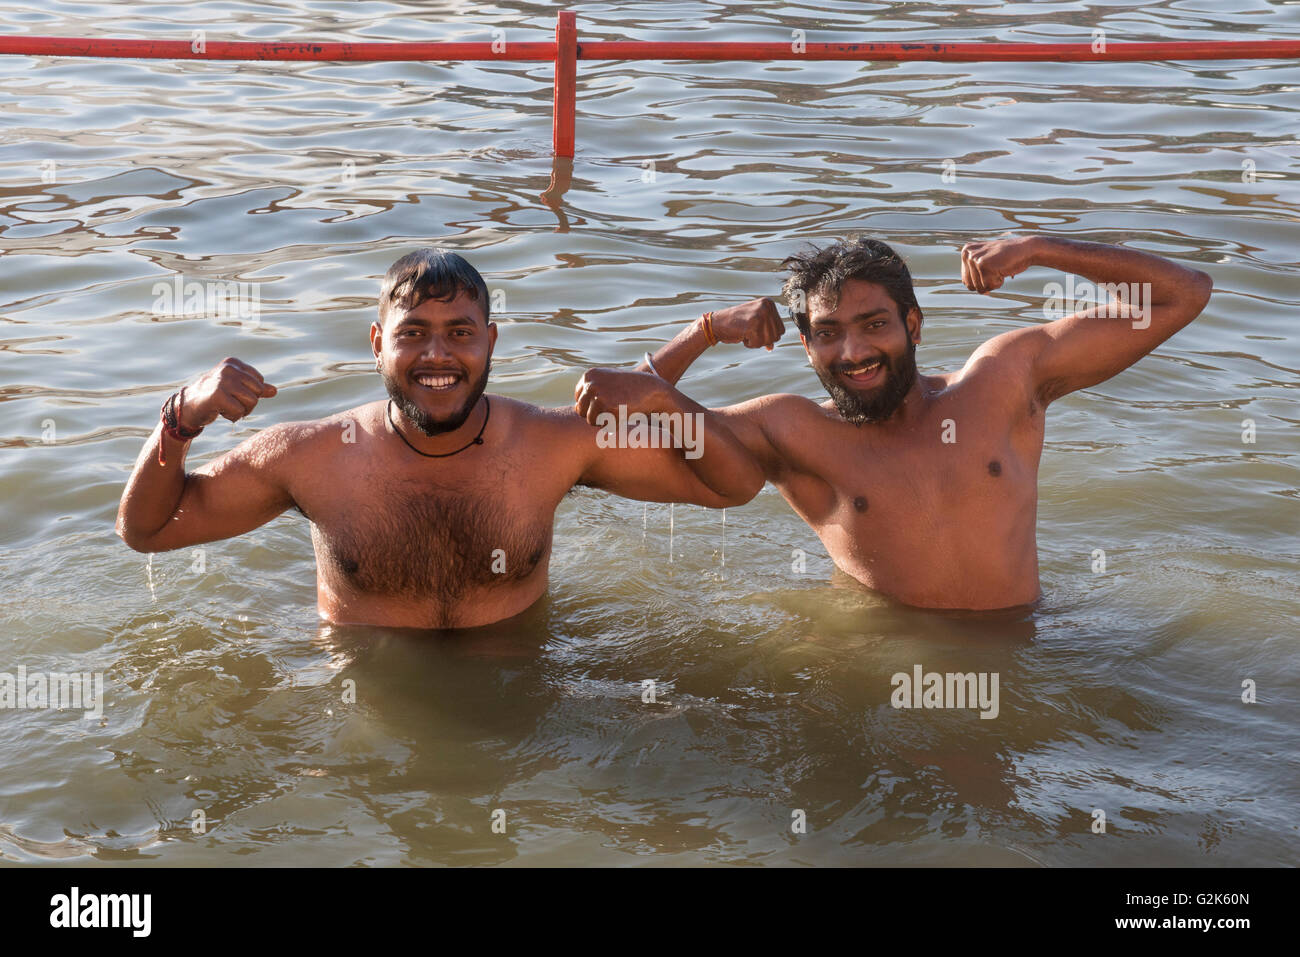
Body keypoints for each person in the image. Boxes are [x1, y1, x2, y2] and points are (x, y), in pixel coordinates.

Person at [116, 248, 763, 629]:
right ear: (377, 345)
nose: (437, 354)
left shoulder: (551, 446)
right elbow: (147, 530)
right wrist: (180, 417)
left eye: (460, 332)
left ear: (490, 343)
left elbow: (732, 486)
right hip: (363, 718)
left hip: (529, 702)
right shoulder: (309, 457)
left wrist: (660, 391)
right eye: (413, 332)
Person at [638, 234, 1213, 610]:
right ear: (807, 348)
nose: (854, 352)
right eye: (829, 334)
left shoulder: (1001, 382)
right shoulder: (791, 432)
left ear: (913, 325)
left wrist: (1041, 250)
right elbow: (613, 423)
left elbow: (1183, 295)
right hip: (884, 667)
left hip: (1028, 648)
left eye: (874, 325)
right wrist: (705, 330)